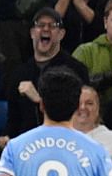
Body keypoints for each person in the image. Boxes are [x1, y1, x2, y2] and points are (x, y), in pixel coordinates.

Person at [5, 7, 89, 138]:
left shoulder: (75, 70)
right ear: (32, 33)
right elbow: (13, 122)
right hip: (28, 146)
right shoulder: (19, 74)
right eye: (40, 25)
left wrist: (39, 100)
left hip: (64, 141)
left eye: (52, 26)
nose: (45, 29)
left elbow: (79, 115)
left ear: (61, 34)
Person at [71, 85, 112, 161]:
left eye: (89, 103)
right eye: (78, 103)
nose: (82, 107)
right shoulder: (58, 139)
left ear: (97, 108)